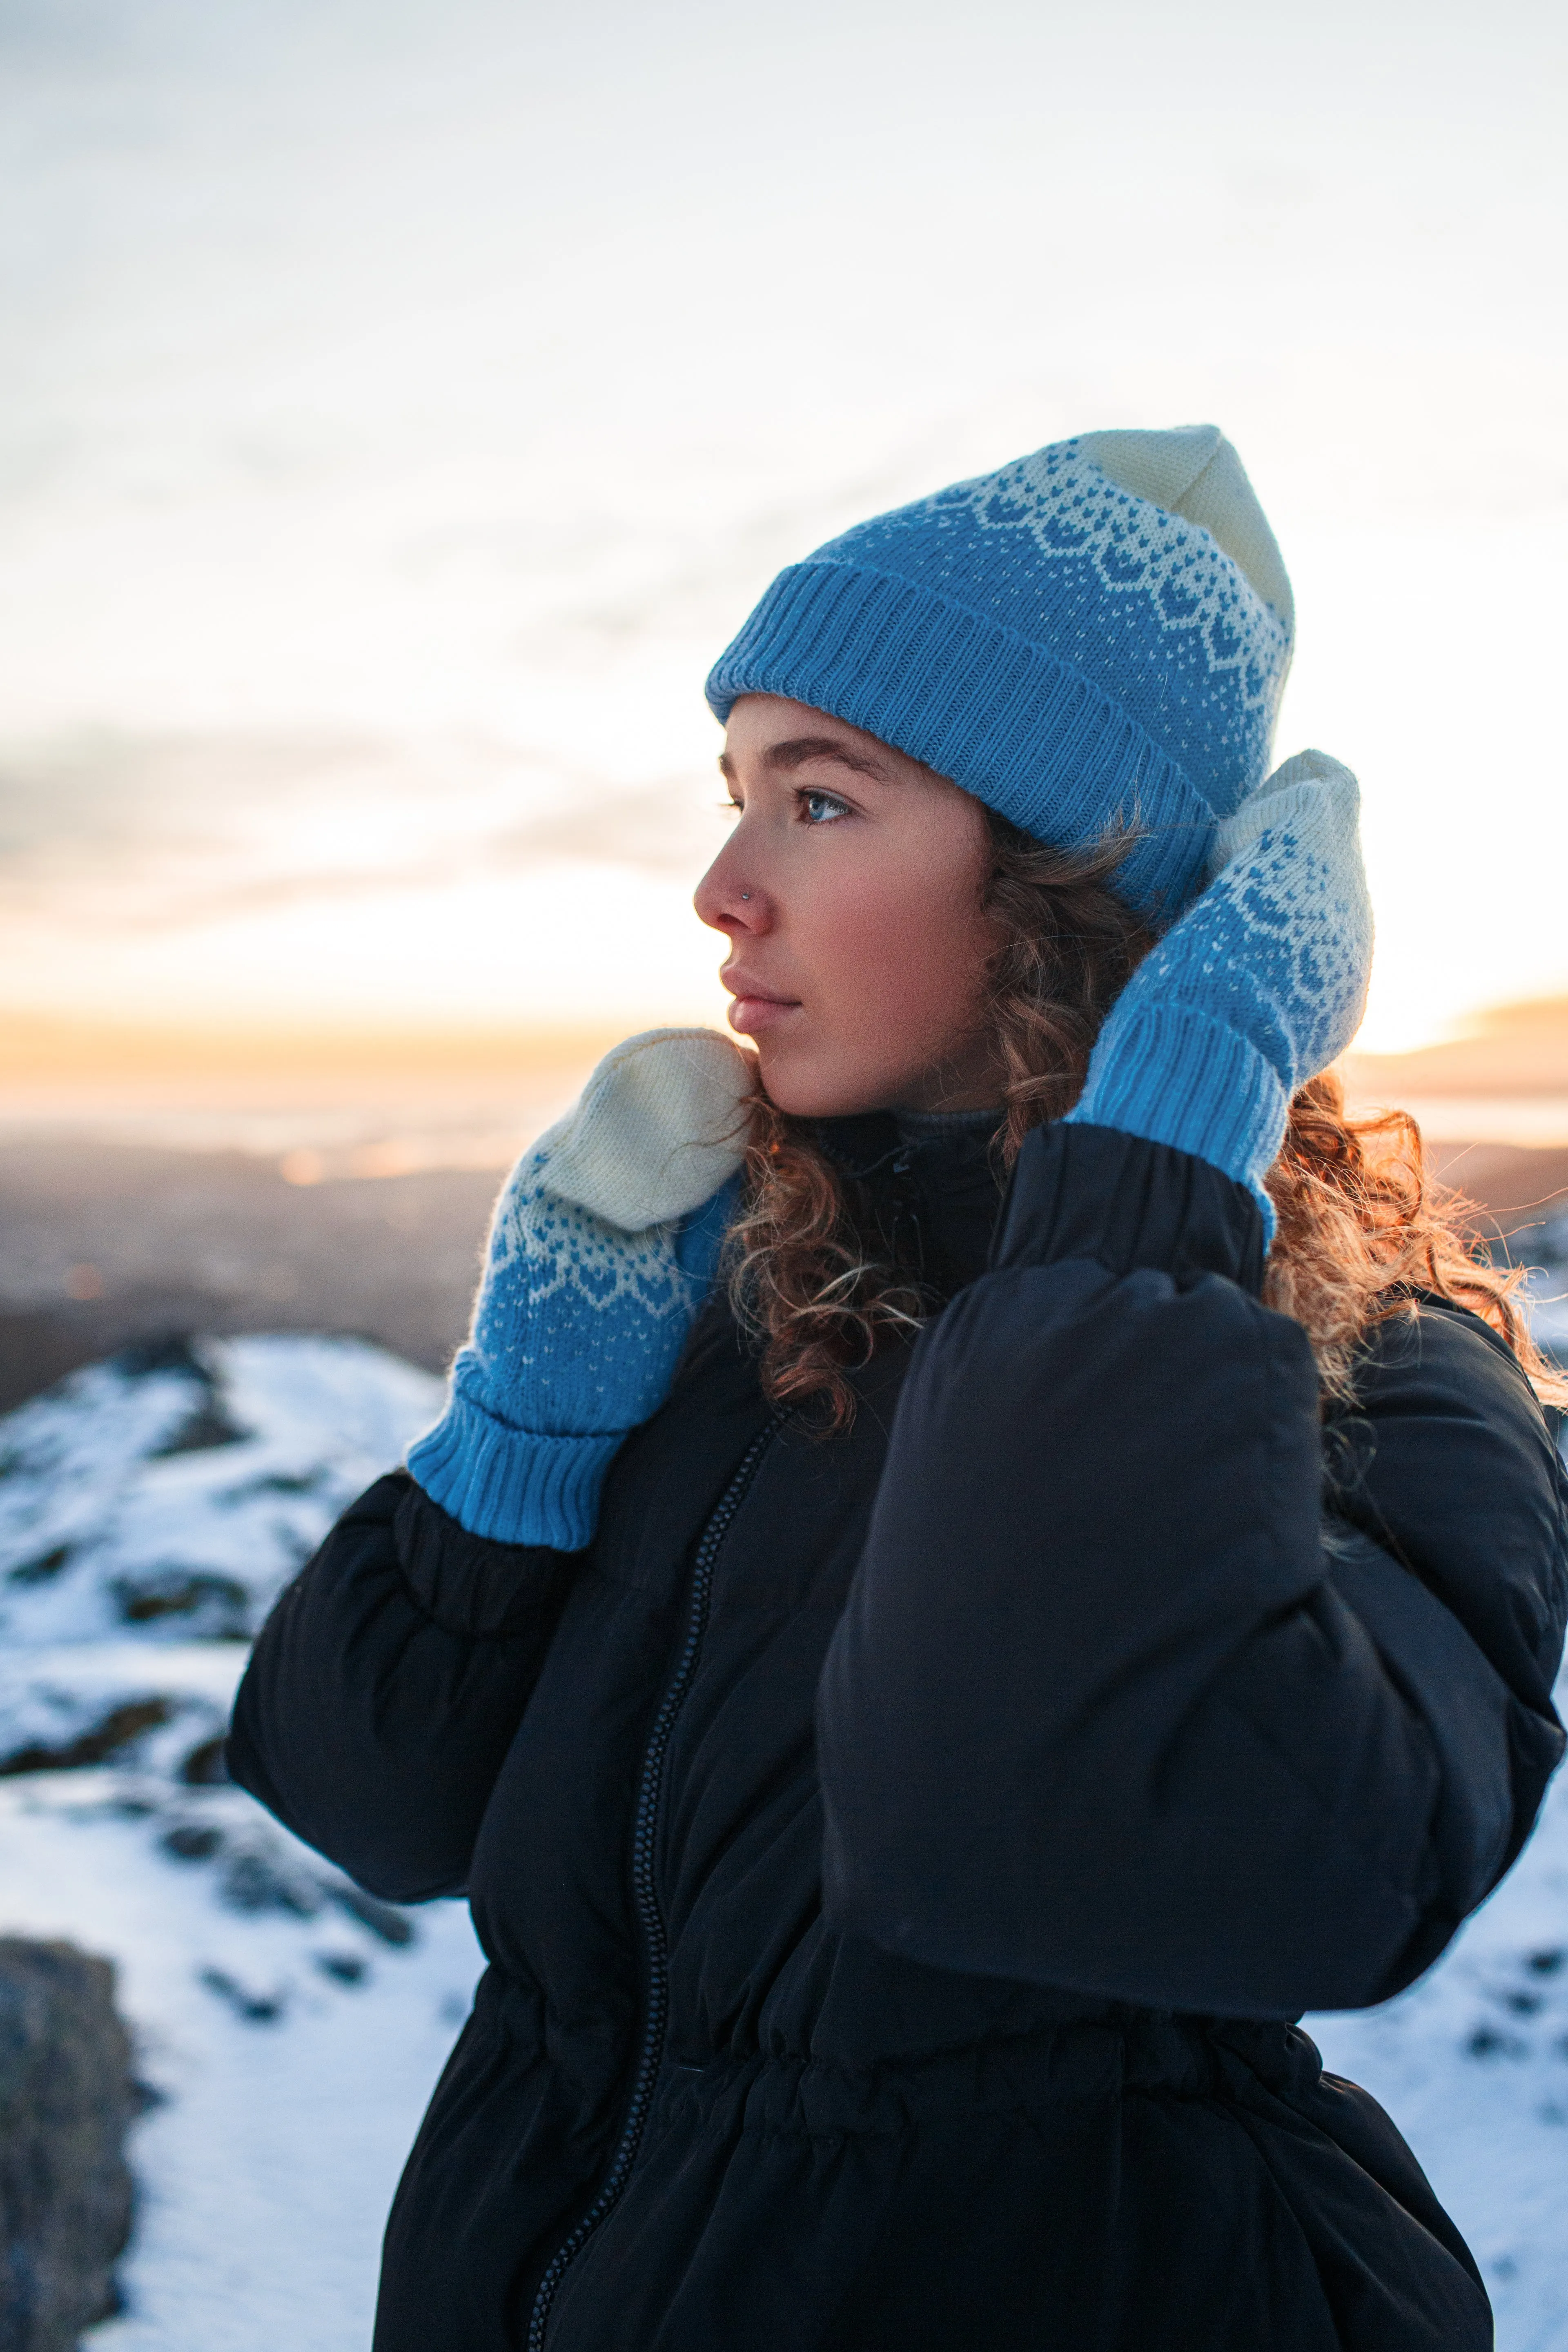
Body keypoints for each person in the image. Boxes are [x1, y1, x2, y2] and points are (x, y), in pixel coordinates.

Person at [228, 424, 1568, 2352]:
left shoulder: (1377, 1382)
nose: (720, 884)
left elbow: (1139, 1853)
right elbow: (366, 1801)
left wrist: (1166, 1131)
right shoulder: (724, 1309)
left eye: (823, 802)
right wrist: (526, 1423)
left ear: (1063, 885)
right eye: (736, 795)